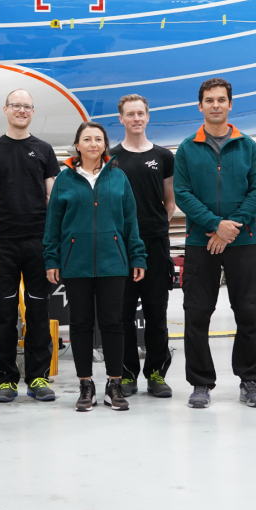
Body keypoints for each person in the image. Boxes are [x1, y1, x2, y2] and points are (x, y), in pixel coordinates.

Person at [173, 77, 256, 410]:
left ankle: (250, 380)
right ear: (200, 106)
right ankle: (200, 383)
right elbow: (182, 193)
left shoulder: (248, 146)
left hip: (242, 242)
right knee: (197, 313)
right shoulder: (187, 148)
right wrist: (215, 225)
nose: (216, 105)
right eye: (209, 100)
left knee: (249, 312)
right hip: (201, 242)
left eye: (221, 99)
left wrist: (231, 227)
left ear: (230, 104)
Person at [45, 121, 146, 412]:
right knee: (80, 324)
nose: (93, 144)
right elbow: (53, 224)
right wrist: (52, 259)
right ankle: (85, 384)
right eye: (87, 139)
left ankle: (114, 384)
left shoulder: (118, 177)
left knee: (113, 323)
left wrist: (137, 256)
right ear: (77, 145)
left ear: (105, 145)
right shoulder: (65, 179)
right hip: (75, 263)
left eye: (98, 139)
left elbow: (130, 221)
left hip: (113, 262)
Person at [0, 88, 59, 403]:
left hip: (39, 243)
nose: (21, 110)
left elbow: (53, 198)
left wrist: (54, 241)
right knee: (5, 315)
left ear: (32, 112)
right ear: (6, 110)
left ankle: (38, 377)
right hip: (3, 244)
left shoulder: (44, 150)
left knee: (38, 313)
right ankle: (7, 380)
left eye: (27, 106)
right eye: (16, 105)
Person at [110, 94, 176, 398]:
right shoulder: (111, 158)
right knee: (122, 314)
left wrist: (154, 226)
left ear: (147, 117)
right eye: (130, 114)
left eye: (140, 113)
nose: (136, 118)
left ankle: (156, 373)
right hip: (120, 248)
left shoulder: (163, 156)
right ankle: (126, 374)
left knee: (156, 313)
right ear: (121, 119)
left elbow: (169, 201)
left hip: (155, 246)